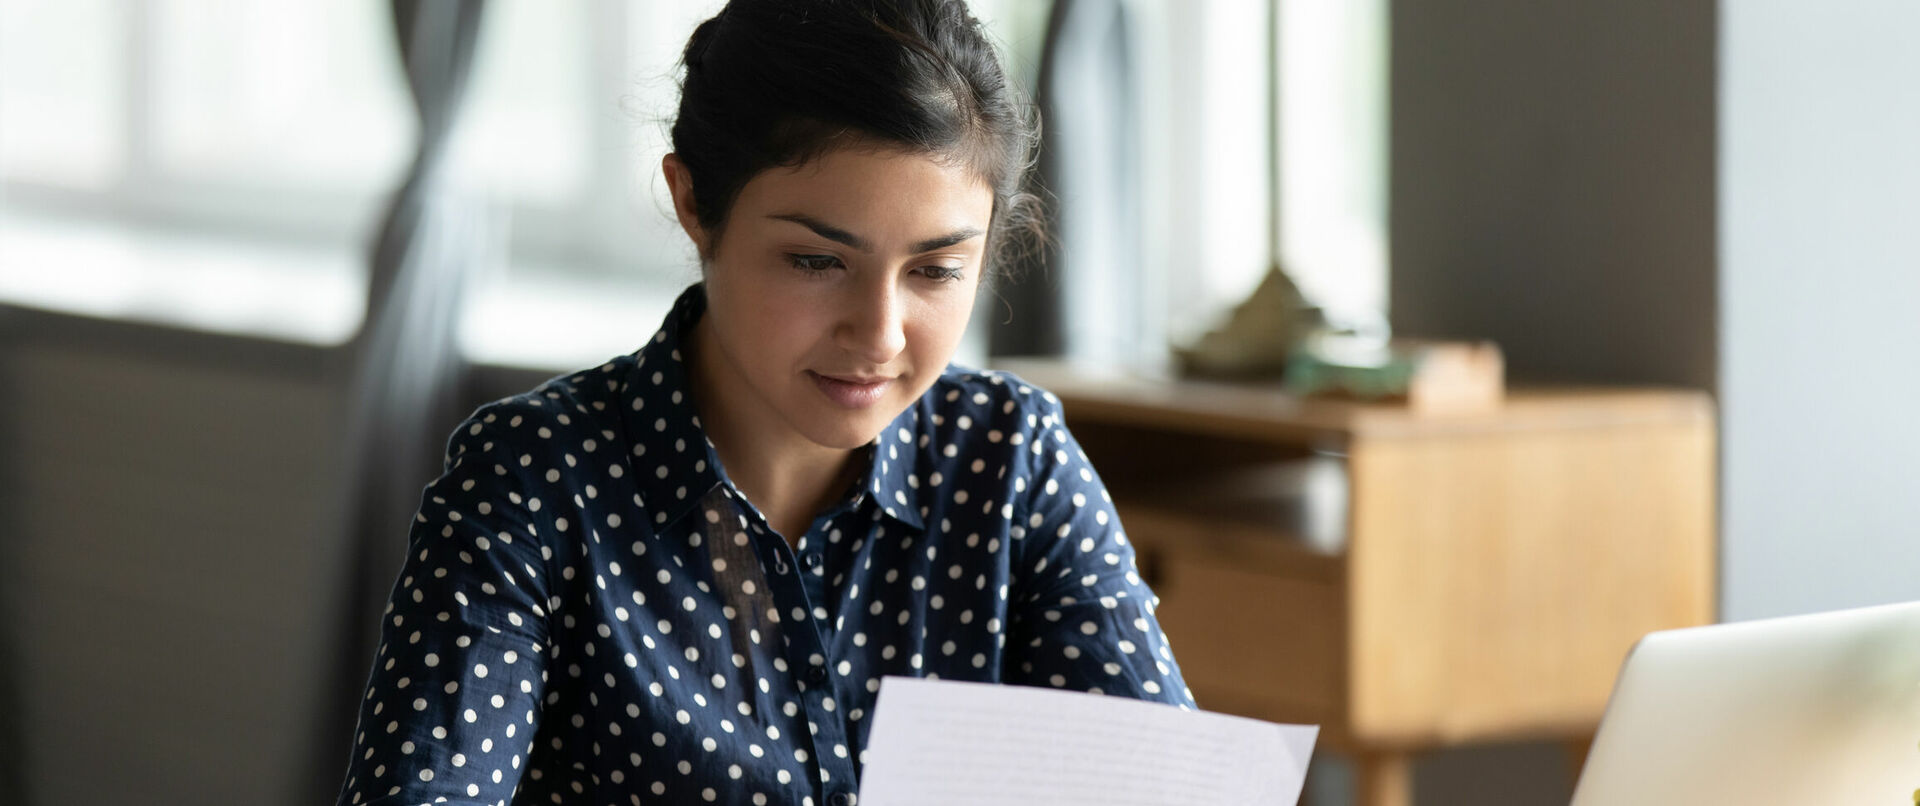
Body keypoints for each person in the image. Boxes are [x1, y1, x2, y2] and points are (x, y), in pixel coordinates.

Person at [334, 1, 1194, 804]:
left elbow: (1158, 782)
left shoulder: (1012, 459)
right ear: (692, 205)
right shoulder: (535, 480)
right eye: (817, 262)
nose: (881, 336)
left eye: (935, 270)